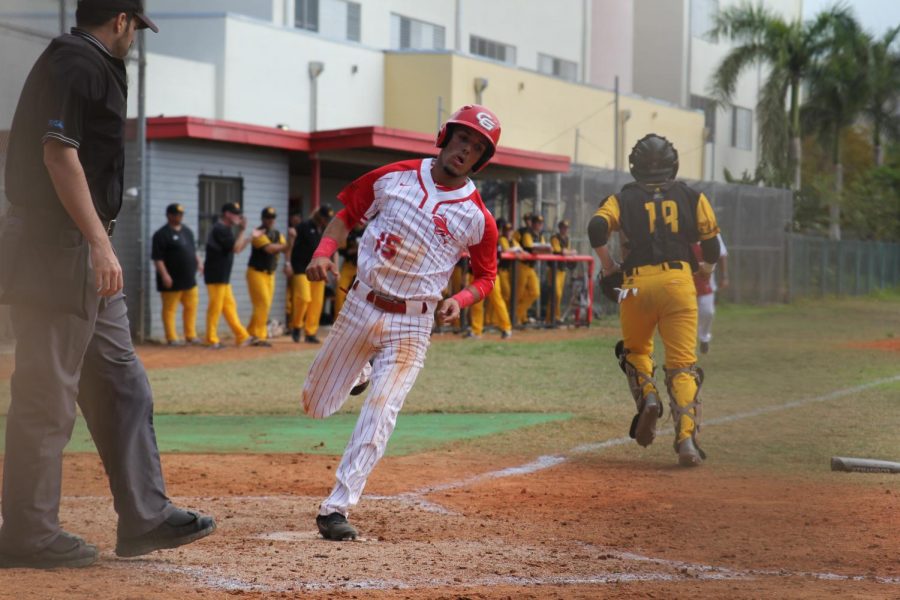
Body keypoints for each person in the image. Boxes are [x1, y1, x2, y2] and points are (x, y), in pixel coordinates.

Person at [0, 0, 215, 569]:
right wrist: (98, 242)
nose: (136, 39)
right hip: (56, 248)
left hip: (83, 248)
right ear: (121, 20)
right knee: (47, 395)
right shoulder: (77, 60)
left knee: (123, 383)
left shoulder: (91, 62)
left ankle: (144, 517)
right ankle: (27, 533)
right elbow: (57, 154)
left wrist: (98, 242)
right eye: (136, 28)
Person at [302, 104, 501, 541]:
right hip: (361, 305)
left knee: (381, 410)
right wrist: (323, 253)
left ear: (481, 159)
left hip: (413, 324)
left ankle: (336, 508)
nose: (466, 150)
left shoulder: (477, 218)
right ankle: (360, 370)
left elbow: (487, 275)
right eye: (463, 138)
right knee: (315, 404)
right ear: (445, 137)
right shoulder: (394, 176)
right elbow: (345, 216)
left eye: (477, 147)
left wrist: (462, 298)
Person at [588, 133, 721, 468]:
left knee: (635, 352)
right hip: (678, 282)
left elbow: (596, 228)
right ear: (672, 162)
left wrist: (609, 267)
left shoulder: (621, 198)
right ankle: (686, 438)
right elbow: (711, 245)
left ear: (635, 165)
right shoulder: (692, 196)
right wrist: (705, 268)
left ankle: (648, 398)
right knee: (681, 365)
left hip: (635, 285)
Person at [152, 203, 202, 345]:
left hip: (189, 278)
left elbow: (193, 251)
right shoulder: (161, 234)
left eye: (181, 215)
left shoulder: (187, 232)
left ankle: (190, 335)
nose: (179, 217)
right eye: (176, 214)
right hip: (171, 279)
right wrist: (165, 275)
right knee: (170, 309)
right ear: (169, 215)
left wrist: (199, 263)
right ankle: (172, 337)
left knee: (191, 306)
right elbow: (157, 258)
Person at [204, 202, 252, 348]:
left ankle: (242, 336)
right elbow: (235, 247)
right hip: (216, 275)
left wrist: (249, 237)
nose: (238, 216)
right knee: (215, 307)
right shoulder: (220, 228)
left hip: (223, 276)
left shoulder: (227, 229)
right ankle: (211, 339)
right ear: (227, 214)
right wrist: (243, 230)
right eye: (235, 214)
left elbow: (236, 250)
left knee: (229, 306)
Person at [286, 205, 334, 344]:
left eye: (327, 219)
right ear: (318, 216)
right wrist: (288, 263)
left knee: (316, 302)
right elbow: (291, 245)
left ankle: (310, 332)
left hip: (318, 269)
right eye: (324, 218)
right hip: (301, 267)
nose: (326, 221)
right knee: (304, 298)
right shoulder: (304, 226)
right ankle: (296, 326)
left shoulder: (325, 230)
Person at [245, 206, 288, 346]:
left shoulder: (277, 233)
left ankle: (251, 331)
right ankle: (259, 336)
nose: (270, 220)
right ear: (262, 218)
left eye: (272, 218)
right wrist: (284, 245)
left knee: (264, 305)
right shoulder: (258, 233)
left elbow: (285, 248)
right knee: (262, 303)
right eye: (267, 218)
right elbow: (270, 249)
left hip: (271, 274)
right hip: (256, 272)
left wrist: (287, 262)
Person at [467, 218, 513, 339]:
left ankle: (506, 328)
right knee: (477, 304)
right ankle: (477, 331)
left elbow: (497, 258)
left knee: (497, 301)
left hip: (490, 276)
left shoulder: (493, 239)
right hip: (476, 275)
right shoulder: (472, 239)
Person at [693, 233, 729, 354]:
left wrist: (724, 277)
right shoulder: (682, 229)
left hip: (706, 280)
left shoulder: (712, 233)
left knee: (708, 312)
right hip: (686, 280)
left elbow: (722, 255)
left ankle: (704, 338)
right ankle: (687, 344)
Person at [516, 213, 549, 325]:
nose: (538, 225)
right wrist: (542, 249)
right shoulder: (526, 234)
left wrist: (542, 249)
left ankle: (517, 315)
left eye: (540, 223)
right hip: (522, 266)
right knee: (518, 294)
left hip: (531, 268)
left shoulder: (540, 235)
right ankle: (516, 318)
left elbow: (546, 249)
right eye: (536, 223)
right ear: (533, 224)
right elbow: (532, 250)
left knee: (535, 292)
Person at [547, 219, 576, 324]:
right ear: (559, 228)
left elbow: (567, 252)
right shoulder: (555, 238)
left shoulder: (567, 238)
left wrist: (568, 252)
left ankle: (553, 318)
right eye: (563, 227)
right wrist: (570, 252)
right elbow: (561, 252)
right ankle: (553, 317)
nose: (565, 230)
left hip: (562, 270)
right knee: (556, 294)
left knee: (557, 295)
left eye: (566, 228)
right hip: (554, 270)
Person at [334, 222, 364, 316]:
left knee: (361, 297)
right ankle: (337, 319)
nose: (359, 222)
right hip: (348, 265)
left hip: (362, 267)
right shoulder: (348, 232)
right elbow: (340, 251)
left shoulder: (368, 231)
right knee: (340, 292)